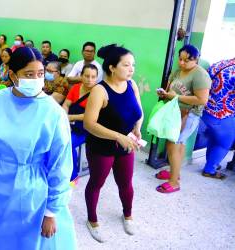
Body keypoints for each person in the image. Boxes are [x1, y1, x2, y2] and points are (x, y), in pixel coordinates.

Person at [0, 47, 76, 249]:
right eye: (29, 74)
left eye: (40, 74)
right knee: (2, 236)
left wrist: (51, 212)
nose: (37, 80)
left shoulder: (53, 113)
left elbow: (60, 165)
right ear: (12, 75)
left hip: (31, 189)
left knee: (27, 241)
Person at [83, 44, 143, 242]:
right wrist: (118, 136)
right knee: (97, 183)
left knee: (125, 183)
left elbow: (138, 111)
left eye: (132, 65)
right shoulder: (100, 90)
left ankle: (128, 215)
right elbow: (89, 124)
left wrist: (137, 127)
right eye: (126, 65)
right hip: (102, 146)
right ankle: (92, 220)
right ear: (112, 67)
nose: (131, 69)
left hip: (126, 143)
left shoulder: (131, 84)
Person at [155, 45, 211, 193]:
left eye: (187, 60)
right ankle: (175, 173)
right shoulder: (178, 72)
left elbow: (202, 100)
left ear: (196, 59)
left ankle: (174, 182)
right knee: (177, 143)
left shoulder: (200, 75)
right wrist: (165, 94)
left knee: (173, 144)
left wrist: (176, 97)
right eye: (180, 59)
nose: (182, 63)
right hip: (175, 113)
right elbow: (170, 91)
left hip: (189, 115)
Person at [62, 64, 98, 182]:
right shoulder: (76, 88)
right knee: (55, 139)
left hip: (86, 129)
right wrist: (64, 114)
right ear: (81, 76)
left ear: (97, 78)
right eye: (87, 76)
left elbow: (89, 116)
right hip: (70, 124)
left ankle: (73, 175)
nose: (90, 79)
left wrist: (70, 117)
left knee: (67, 144)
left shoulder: (97, 93)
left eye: (93, 77)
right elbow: (66, 104)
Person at [200, 58, 235, 178]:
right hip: (222, 114)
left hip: (206, 109)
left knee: (214, 139)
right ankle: (210, 170)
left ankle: (211, 162)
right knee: (224, 143)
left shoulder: (223, 63)